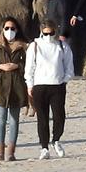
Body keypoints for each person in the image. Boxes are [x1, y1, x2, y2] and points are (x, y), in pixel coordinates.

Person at [24, 20, 73, 158]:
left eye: (51, 33)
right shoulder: (34, 46)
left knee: (59, 116)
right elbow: (29, 68)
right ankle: (44, 147)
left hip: (57, 85)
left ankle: (56, 139)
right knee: (42, 118)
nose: (48, 36)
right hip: (40, 86)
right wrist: (29, 85)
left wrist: (64, 80)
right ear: (41, 32)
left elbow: (69, 66)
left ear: (55, 32)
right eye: (45, 33)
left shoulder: (62, 46)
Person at [0, 19, 29, 160]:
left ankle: (11, 151)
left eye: (13, 28)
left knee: (14, 120)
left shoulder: (23, 46)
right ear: (2, 29)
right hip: (0, 87)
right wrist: (0, 67)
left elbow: (28, 66)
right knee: (1, 119)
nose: (10, 31)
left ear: (17, 29)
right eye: (7, 28)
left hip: (17, 86)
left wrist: (16, 66)